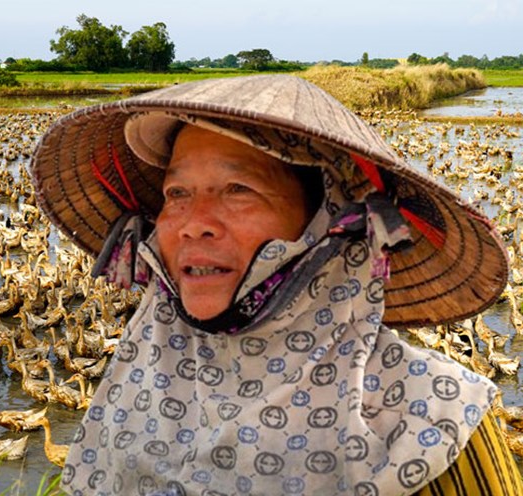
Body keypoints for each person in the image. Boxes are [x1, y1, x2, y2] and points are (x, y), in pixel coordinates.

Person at [30, 75, 522, 495]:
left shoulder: (430, 417)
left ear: (328, 222)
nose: (191, 224)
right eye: (176, 192)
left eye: (238, 189)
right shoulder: (136, 371)